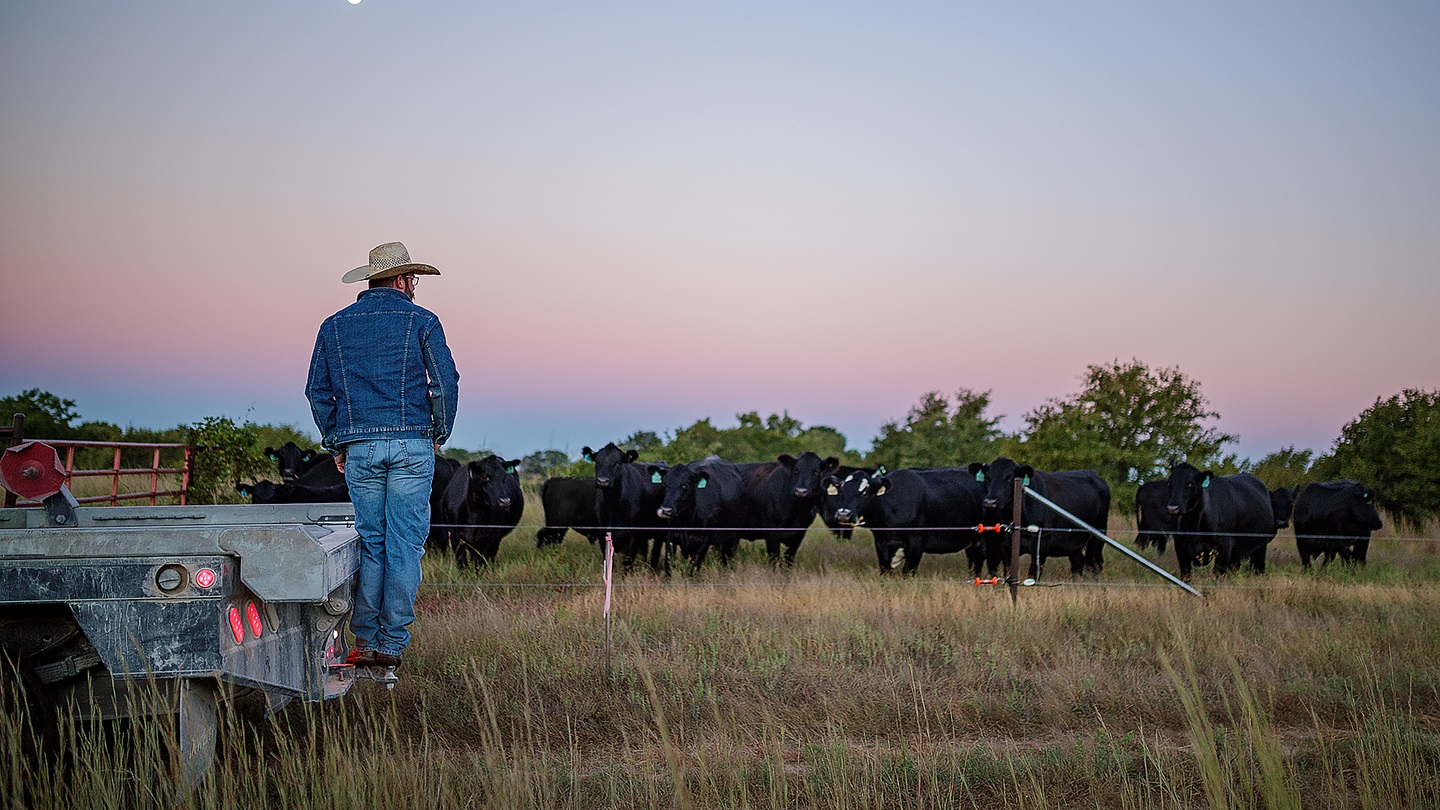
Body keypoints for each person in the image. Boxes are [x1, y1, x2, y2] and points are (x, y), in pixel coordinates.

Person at [305, 241, 460, 669]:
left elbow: (317, 391)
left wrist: (337, 442)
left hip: (360, 447)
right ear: (401, 280)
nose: (414, 287)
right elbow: (445, 382)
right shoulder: (423, 321)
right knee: (405, 546)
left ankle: (366, 640)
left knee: (372, 543)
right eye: (413, 280)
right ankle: (391, 644)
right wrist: (439, 433)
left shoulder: (334, 325)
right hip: (412, 443)